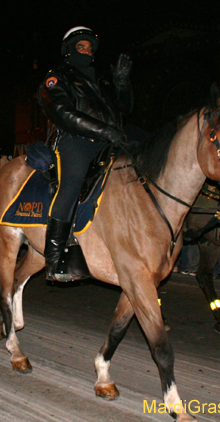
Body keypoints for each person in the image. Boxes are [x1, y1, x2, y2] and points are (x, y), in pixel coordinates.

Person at [39, 26, 133, 282]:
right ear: (69, 50)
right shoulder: (57, 78)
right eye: (81, 46)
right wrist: (103, 130)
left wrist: (122, 84)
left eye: (90, 47)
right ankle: (55, 257)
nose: (87, 50)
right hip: (76, 141)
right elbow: (62, 112)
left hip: (109, 141)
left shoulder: (101, 80)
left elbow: (125, 108)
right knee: (71, 185)